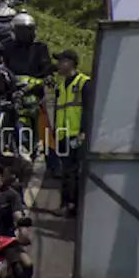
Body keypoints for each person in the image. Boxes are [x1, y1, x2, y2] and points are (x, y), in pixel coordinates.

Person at [54, 48, 90, 215]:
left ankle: (72, 206)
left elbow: (90, 109)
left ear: (70, 63)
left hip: (77, 134)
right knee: (66, 170)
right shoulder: (60, 85)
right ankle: (66, 203)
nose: (58, 65)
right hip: (63, 135)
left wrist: (84, 131)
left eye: (61, 61)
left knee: (73, 171)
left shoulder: (84, 83)